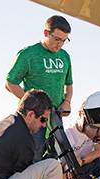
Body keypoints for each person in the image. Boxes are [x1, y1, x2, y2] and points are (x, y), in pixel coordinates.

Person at [5, 15, 73, 162]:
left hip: (56, 117)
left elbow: (69, 85)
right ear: (46, 33)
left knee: (57, 159)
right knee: (32, 159)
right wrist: (33, 104)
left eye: (64, 40)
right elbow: (10, 83)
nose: (60, 44)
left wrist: (67, 101)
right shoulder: (28, 54)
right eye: (56, 39)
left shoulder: (65, 57)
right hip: (34, 117)